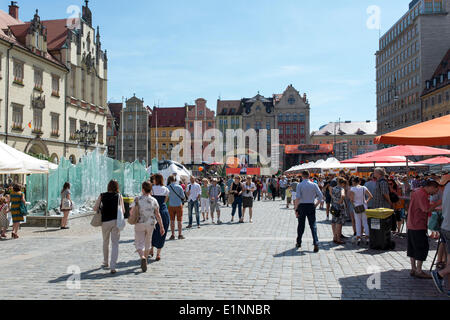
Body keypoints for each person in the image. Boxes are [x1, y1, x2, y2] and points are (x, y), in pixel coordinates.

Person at [407, 180, 440, 279]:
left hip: (412, 223)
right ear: (431, 187)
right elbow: (425, 209)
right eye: (436, 190)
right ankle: (419, 270)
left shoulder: (417, 191)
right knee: (421, 247)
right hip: (418, 224)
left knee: (412, 247)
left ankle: (413, 268)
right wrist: (438, 203)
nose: (436, 192)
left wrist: (434, 206)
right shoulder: (422, 193)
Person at [130, 181, 164, 272]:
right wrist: (161, 226)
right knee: (148, 242)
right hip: (151, 223)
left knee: (138, 242)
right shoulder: (154, 200)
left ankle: (142, 257)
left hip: (139, 223)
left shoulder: (137, 199)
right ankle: (146, 258)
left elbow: (131, 211)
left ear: (143, 189)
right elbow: (158, 214)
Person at [93, 180, 125, 274]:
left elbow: (95, 208)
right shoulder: (119, 196)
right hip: (116, 221)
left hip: (105, 222)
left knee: (105, 241)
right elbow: (123, 210)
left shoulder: (102, 195)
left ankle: (105, 262)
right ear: (117, 187)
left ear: (108, 186)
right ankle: (113, 266)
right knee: (115, 243)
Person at [294, 170, 323, 253]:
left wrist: (296, 209)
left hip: (302, 206)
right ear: (309, 175)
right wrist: (316, 204)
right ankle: (316, 242)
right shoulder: (314, 184)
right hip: (311, 205)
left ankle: (299, 242)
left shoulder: (300, 185)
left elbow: (298, 198)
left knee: (301, 225)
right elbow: (321, 196)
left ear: (302, 176)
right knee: (313, 225)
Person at [432, 174, 450, 297]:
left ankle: (449, 288)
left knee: (449, 260)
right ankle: (440, 274)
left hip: (446, 226)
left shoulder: (448, 186)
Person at [150, 174, 170, 261]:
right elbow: (165, 200)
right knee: (162, 232)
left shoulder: (152, 189)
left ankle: (151, 249)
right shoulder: (166, 189)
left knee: (152, 232)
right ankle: (158, 253)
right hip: (163, 210)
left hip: (153, 211)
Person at [350, 177, 373, 245]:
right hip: (364, 206)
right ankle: (367, 237)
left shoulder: (353, 189)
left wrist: (354, 204)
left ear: (354, 182)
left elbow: (351, 199)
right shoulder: (363, 188)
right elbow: (371, 196)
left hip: (357, 206)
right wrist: (366, 201)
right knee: (365, 222)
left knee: (358, 222)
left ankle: (358, 237)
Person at [167, 175, 185, 240]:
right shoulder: (179, 187)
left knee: (172, 220)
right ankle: (180, 234)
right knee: (179, 220)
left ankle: (172, 234)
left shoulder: (167, 187)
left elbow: (167, 197)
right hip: (178, 205)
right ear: (175, 180)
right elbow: (183, 196)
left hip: (171, 205)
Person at [331, 178, 347, 245]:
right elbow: (343, 195)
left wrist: (335, 200)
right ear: (342, 183)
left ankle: (334, 237)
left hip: (334, 206)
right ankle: (338, 239)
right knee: (339, 222)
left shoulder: (334, 188)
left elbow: (331, 194)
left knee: (333, 221)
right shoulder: (342, 189)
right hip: (339, 206)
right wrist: (340, 201)